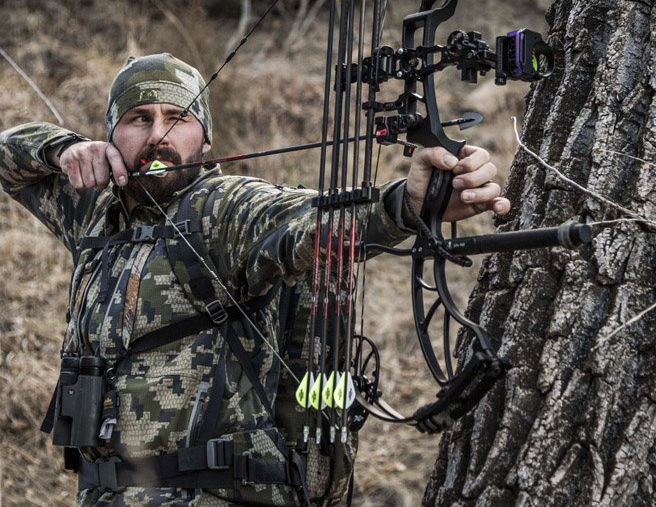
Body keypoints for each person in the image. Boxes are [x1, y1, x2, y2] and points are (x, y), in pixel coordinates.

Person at [0, 53, 510, 507]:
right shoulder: (91, 211)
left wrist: (407, 205)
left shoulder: (223, 208)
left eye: (178, 118)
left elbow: (308, 223)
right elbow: (6, 156)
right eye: (139, 119)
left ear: (205, 139)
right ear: (111, 137)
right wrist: (60, 149)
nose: (158, 135)